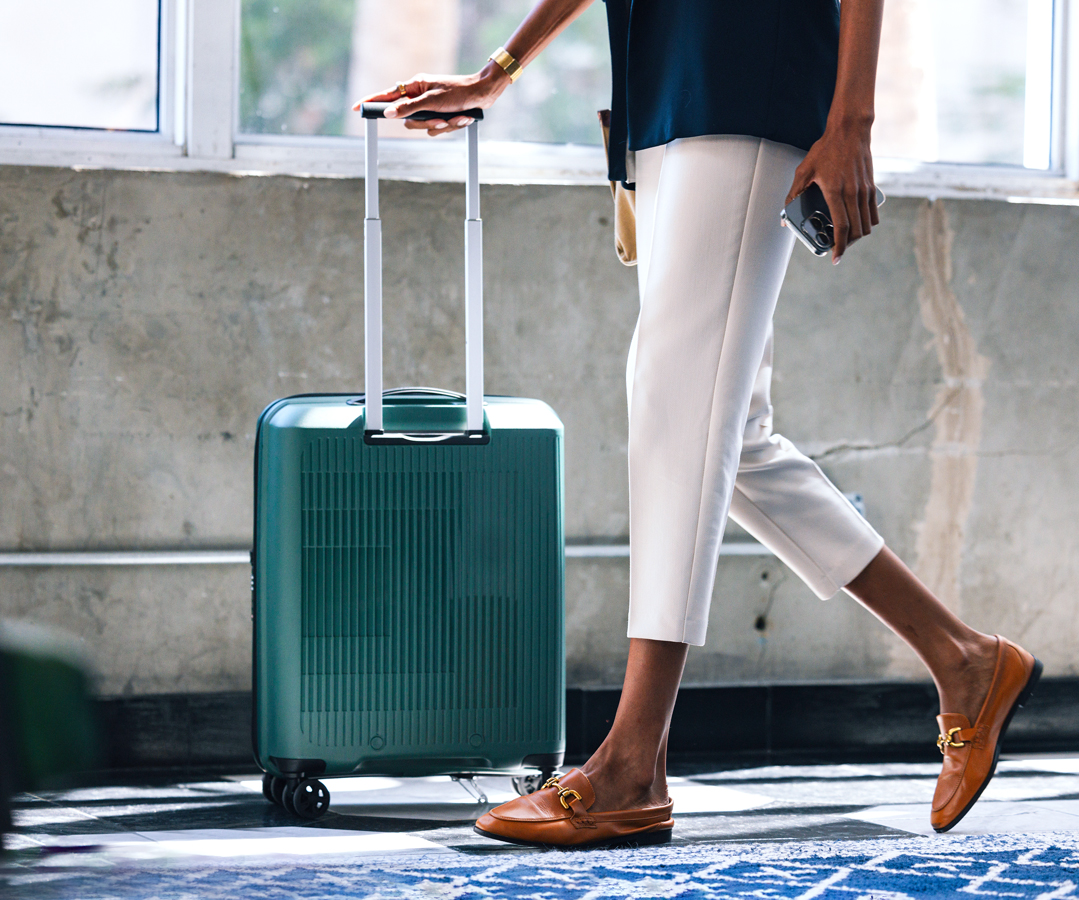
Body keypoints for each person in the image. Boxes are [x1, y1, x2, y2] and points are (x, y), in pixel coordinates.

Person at [354, 0, 1041, 847]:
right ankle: (965, 659)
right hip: (660, 86)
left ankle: (630, 764)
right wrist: (501, 69)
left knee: (677, 401)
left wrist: (852, 121)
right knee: (728, 434)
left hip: (745, 73)